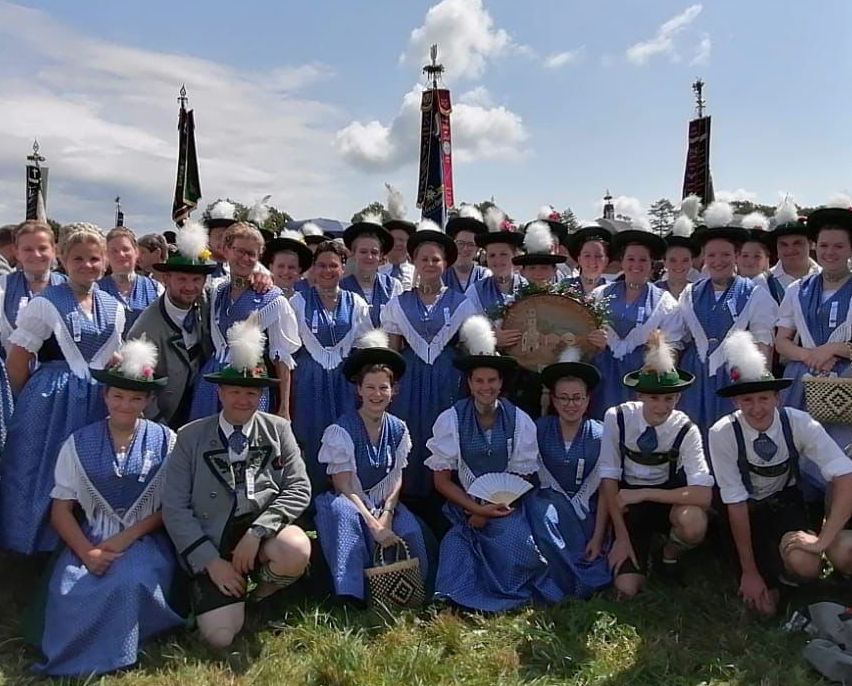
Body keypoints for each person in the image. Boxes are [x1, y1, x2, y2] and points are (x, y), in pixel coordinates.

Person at [32, 338, 183, 676]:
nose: (125, 405)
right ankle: (71, 657)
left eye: (134, 398)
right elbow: (61, 510)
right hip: (91, 535)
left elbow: (170, 506)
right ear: (105, 397)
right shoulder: (78, 442)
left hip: (143, 537)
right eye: (117, 396)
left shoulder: (165, 441)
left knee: (129, 580)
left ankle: (117, 653)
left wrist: (124, 539)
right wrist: (88, 553)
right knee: (69, 586)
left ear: (146, 400)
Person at [162, 319, 312, 649]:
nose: (243, 400)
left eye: (252, 393)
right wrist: (211, 562)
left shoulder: (278, 429)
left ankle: (261, 595)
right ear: (220, 392)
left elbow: (299, 487)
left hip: (261, 535)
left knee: (297, 548)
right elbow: (173, 506)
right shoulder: (190, 437)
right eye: (235, 392)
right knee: (220, 637)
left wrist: (258, 531)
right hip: (212, 541)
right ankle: (218, 589)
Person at [708, 331, 852, 616]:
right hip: (743, 511)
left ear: (777, 398)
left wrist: (823, 540)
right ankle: (758, 573)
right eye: (747, 400)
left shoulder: (798, 422)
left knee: (807, 565)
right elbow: (735, 503)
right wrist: (749, 572)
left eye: (764, 398)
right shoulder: (722, 433)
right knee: (762, 608)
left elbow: (845, 476)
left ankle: (787, 582)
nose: (757, 408)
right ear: (735, 403)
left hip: (784, 502)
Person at [0, 225, 124, 554]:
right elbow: (18, 358)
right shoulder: (44, 303)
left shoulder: (114, 306)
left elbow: (109, 355)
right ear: (63, 260)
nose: (87, 265)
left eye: (94, 258)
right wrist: (16, 406)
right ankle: (27, 542)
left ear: (105, 262)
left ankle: (75, 541)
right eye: (78, 258)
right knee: (37, 467)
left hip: (96, 400)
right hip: (49, 398)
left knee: (83, 468)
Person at [425, 315, 560, 611]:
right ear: (470, 384)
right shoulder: (451, 420)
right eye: (479, 381)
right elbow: (442, 480)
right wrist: (475, 510)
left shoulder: (519, 421)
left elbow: (521, 476)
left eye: (492, 381)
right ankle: (455, 598)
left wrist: (491, 510)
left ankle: (510, 596)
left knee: (517, 544)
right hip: (463, 505)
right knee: (455, 545)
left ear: (501, 383)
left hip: (507, 506)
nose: (486, 387)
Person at [314, 330, 429, 602]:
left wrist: (387, 514)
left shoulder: (399, 429)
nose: (377, 394)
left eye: (383, 388)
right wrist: (373, 524)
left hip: (384, 503)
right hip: (350, 500)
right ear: (359, 390)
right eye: (370, 387)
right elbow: (342, 484)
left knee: (410, 529)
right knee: (345, 517)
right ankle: (351, 595)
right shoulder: (341, 431)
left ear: (393, 391)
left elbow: (397, 477)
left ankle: (408, 591)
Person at [600, 330, 714, 597]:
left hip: (663, 501)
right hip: (626, 507)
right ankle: (636, 547)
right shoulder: (616, 418)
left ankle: (669, 553)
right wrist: (621, 538)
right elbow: (608, 478)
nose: (662, 406)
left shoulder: (686, 428)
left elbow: (704, 494)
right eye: (654, 397)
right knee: (626, 588)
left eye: (669, 398)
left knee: (694, 522)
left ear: (679, 397)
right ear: (639, 395)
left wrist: (644, 493)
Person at [678, 201, 778, 432]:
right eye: (712, 255)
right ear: (704, 258)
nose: (718, 261)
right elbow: (678, 338)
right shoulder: (690, 293)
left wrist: (757, 385)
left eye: (725, 254)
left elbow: (764, 342)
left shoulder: (754, 294)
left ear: (736, 256)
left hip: (735, 374)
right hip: (695, 374)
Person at [189, 222, 299, 421]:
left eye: (252, 254)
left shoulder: (273, 299)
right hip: (212, 379)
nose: (245, 259)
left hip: (250, 382)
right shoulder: (217, 290)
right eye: (240, 251)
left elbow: (281, 359)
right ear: (226, 250)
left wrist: (284, 409)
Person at [525, 353, 612, 599]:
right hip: (547, 509)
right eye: (563, 398)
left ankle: (579, 578)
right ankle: (558, 584)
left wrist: (598, 535)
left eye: (576, 398)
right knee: (543, 522)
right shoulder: (538, 430)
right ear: (553, 399)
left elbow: (606, 488)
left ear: (587, 400)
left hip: (588, 514)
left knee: (594, 556)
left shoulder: (601, 434)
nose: (570, 404)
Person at [289, 240, 372, 492]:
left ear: (343, 268)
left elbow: (365, 345)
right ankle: (308, 498)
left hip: (344, 383)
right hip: (308, 381)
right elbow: (288, 347)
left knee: (343, 438)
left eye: (333, 265)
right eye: (321, 265)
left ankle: (344, 495)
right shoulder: (298, 301)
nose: (327, 271)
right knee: (309, 436)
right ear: (313, 268)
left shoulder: (355, 302)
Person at [775, 200, 852, 468]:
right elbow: (781, 342)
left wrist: (833, 349)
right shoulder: (797, 290)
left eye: (839, 246)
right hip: (803, 381)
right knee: (804, 453)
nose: (830, 252)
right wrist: (810, 355)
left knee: (843, 458)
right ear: (815, 246)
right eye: (825, 245)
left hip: (847, 382)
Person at [128, 221, 216, 429]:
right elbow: (140, 389)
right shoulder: (144, 329)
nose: (189, 287)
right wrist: (161, 430)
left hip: (205, 407)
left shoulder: (208, 301)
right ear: (166, 278)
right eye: (182, 279)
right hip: (168, 417)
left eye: (196, 279)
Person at [589, 227, 681, 420]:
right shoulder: (599, 295)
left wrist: (658, 351)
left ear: (651, 264)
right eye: (630, 259)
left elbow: (673, 350)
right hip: (602, 378)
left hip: (642, 380)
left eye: (643, 260)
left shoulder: (665, 303)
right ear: (622, 261)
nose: (636, 265)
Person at [0, 220, 67, 354]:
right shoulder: (3, 286)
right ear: (17, 252)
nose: (36, 254)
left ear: (54, 251)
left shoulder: (69, 288)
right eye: (28, 249)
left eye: (42, 248)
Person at [464, 205, 526, 324]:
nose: (497, 260)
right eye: (492, 255)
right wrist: (493, 336)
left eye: (503, 254)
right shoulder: (475, 292)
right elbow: (467, 330)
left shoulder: (527, 287)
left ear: (514, 255)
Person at [340, 216, 403, 327]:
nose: (369, 257)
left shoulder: (393, 287)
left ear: (381, 256)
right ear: (354, 254)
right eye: (363, 251)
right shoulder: (341, 288)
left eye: (374, 252)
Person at [97, 227, 161, 334]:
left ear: (136, 252)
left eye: (125, 249)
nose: (120, 254)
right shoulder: (96, 290)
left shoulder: (155, 288)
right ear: (107, 255)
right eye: (114, 251)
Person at [770, 195, 820, 290]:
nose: (790, 249)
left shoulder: (827, 278)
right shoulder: (762, 283)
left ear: (810, 244)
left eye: (797, 243)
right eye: (783, 244)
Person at [657, 198, 700, 299]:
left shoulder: (699, 293)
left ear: (691, 262)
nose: (679, 265)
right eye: (673, 260)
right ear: (664, 261)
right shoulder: (652, 292)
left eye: (685, 260)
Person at [738, 212, 786, 304]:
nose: (750, 261)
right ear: (736, 257)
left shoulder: (776, 288)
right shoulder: (728, 286)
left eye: (757, 256)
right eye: (745, 255)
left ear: (766, 259)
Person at [443, 205, 491, 293]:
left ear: (477, 248)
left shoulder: (485, 276)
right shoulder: (441, 275)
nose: (465, 249)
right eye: (460, 243)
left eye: (471, 244)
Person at [378, 184, 416, 290]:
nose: (398, 244)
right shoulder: (377, 273)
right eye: (394, 240)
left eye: (402, 240)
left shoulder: (418, 273)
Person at [563, 222, 613, 295]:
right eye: (587, 255)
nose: (592, 261)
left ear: (606, 261)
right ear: (579, 259)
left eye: (598, 256)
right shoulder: (563, 286)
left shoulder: (614, 290)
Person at [261, 229, 313, 298]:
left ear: (299, 271)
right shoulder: (259, 299)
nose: (286, 271)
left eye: (291, 267)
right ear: (271, 267)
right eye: (281, 266)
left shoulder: (306, 302)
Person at [205, 199, 238, 280]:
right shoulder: (199, 266)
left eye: (229, 237)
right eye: (219, 237)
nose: (224, 242)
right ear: (208, 238)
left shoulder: (242, 268)